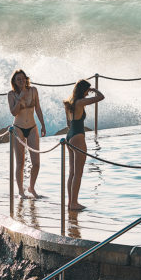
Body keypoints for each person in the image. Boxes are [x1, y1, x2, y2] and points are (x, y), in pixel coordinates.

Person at [63, 79, 104, 211]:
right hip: (78, 137)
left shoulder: (69, 103)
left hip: (69, 136)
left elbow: (68, 124)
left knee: (71, 173)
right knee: (78, 173)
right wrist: (95, 90)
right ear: (83, 90)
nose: (87, 94)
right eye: (87, 91)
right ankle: (74, 203)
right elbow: (101, 97)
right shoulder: (80, 102)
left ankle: (70, 202)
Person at [8, 69, 46, 198]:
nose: (21, 81)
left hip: (32, 127)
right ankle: (20, 191)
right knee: (20, 162)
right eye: (18, 79)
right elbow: (14, 112)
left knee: (36, 162)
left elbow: (38, 108)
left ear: (26, 79)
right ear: (14, 81)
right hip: (18, 127)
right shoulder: (11, 94)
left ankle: (31, 187)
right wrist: (20, 97)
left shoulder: (34, 90)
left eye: (23, 78)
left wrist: (43, 125)